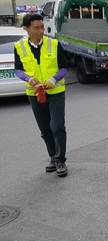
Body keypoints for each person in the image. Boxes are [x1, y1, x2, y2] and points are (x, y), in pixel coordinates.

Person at [14, 13, 69, 177]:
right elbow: (18, 69)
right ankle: (53, 157)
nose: (41, 31)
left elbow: (64, 68)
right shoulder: (19, 47)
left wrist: (54, 78)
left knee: (57, 127)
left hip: (55, 91)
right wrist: (28, 78)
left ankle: (60, 160)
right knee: (45, 129)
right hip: (35, 93)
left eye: (42, 27)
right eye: (36, 28)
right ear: (27, 29)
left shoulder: (54, 44)